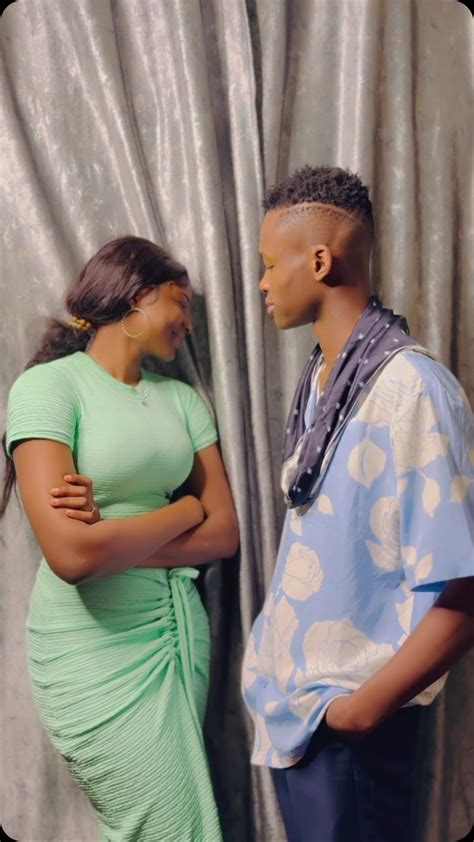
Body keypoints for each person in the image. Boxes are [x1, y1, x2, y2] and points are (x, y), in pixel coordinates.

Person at [241, 166, 474, 842]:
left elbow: (462, 587)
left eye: (269, 264)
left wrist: (361, 711)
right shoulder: (323, 381)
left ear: (319, 261)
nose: (262, 283)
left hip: (352, 727)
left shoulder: (412, 388)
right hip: (300, 717)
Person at [2, 235, 239, 842]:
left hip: (175, 635)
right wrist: (185, 508)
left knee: (170, 824)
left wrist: (113, 538)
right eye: (180, 303)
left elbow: (224, 533)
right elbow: (72, 557)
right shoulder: (48, 389)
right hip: (89, 645)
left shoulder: (182, 401)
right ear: (138, 295)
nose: (188, 323)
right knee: (158, 826)